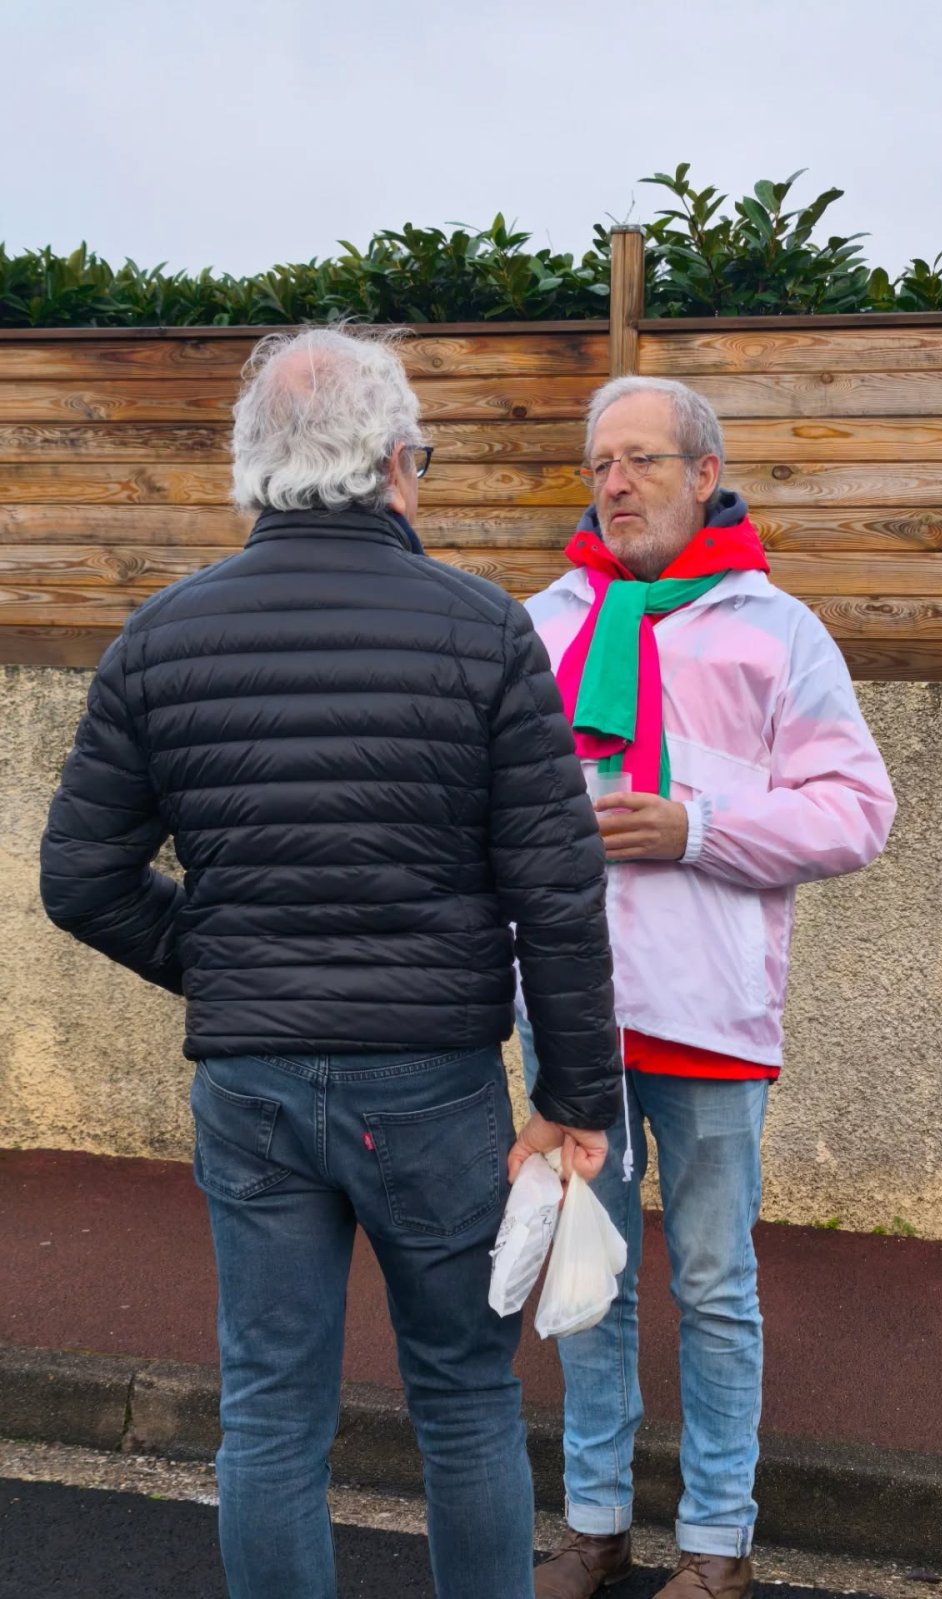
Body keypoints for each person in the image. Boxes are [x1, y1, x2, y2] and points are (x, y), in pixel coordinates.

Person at [39, 326, 619, 1599]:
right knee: (464, 1398)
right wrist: (578, 1096)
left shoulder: (160, 637)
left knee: (269, 1410)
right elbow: (558, 891)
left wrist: (226, 966)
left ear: (254, 468)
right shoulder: (484, 631)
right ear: (399, 462)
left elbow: (79, 879)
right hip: (432, 1084)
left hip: (251, 1084)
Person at [516, 376, 896, 1599]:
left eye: (640, 460)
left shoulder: (775, 630)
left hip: (713, 1016)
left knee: (717, 1286)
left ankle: (718, 1546)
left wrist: (699, 829)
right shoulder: (541, 623)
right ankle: (595, 1526)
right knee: (589, 1280)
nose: (615, 484)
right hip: (571, 1011)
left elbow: (859, 811)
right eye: (599, 465)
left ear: (704, 473)